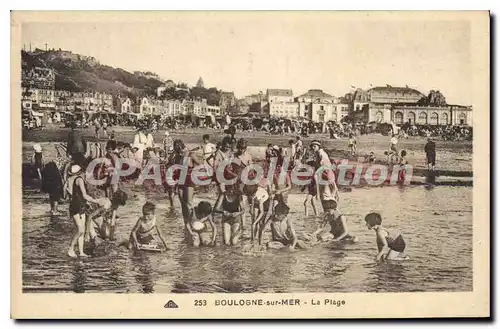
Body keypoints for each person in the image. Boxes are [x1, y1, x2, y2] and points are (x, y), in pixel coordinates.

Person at [66, 164, 101, 258]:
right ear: (81, 172)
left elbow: (73, 193)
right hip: (77, 207)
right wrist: (96, 200)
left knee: (82, 230)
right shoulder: (80, 180)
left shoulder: (73, 179)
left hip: (80, 205)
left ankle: (81, 252)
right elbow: (84, 195)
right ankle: (71, 248)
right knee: (80, 230)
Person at [171, 139, 203, 224]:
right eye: (177, 151)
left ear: (183, 148)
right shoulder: (177, 156)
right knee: (183, 204)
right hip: (180, 180)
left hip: (189, 180)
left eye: (180, 150)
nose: (179, 153)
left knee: (189, 203)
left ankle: (193, 221)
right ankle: (186, 223)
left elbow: (201, 164)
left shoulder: (191, 154)